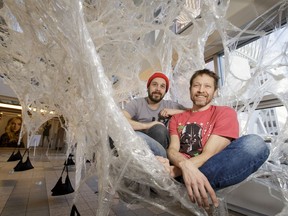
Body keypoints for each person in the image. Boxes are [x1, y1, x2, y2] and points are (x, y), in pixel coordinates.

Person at [158, 69, 270, 209]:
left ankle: (190, 186)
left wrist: (178, 169)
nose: (201, 90)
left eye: (207, 86)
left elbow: (209, 154)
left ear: (215, 91)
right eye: (196, 85)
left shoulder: (224, 113)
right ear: (190, 89)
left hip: (206, 168)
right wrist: (182, 165)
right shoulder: (176, 118)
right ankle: (190, 186)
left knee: (256, 144)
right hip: (181, 169)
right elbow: (172, 149)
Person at [123, 72, 186, 157]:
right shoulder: (136, 103)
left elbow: (195, 113)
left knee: (159, 130)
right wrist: (148, 125)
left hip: (162, 151)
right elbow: (121, 120)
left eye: (162, 86)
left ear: (165, 91)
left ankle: (161, 165)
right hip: (141, 147)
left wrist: (175, 111)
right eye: (154, 84)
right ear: (148, 87)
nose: (158, 89)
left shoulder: (171, 105)